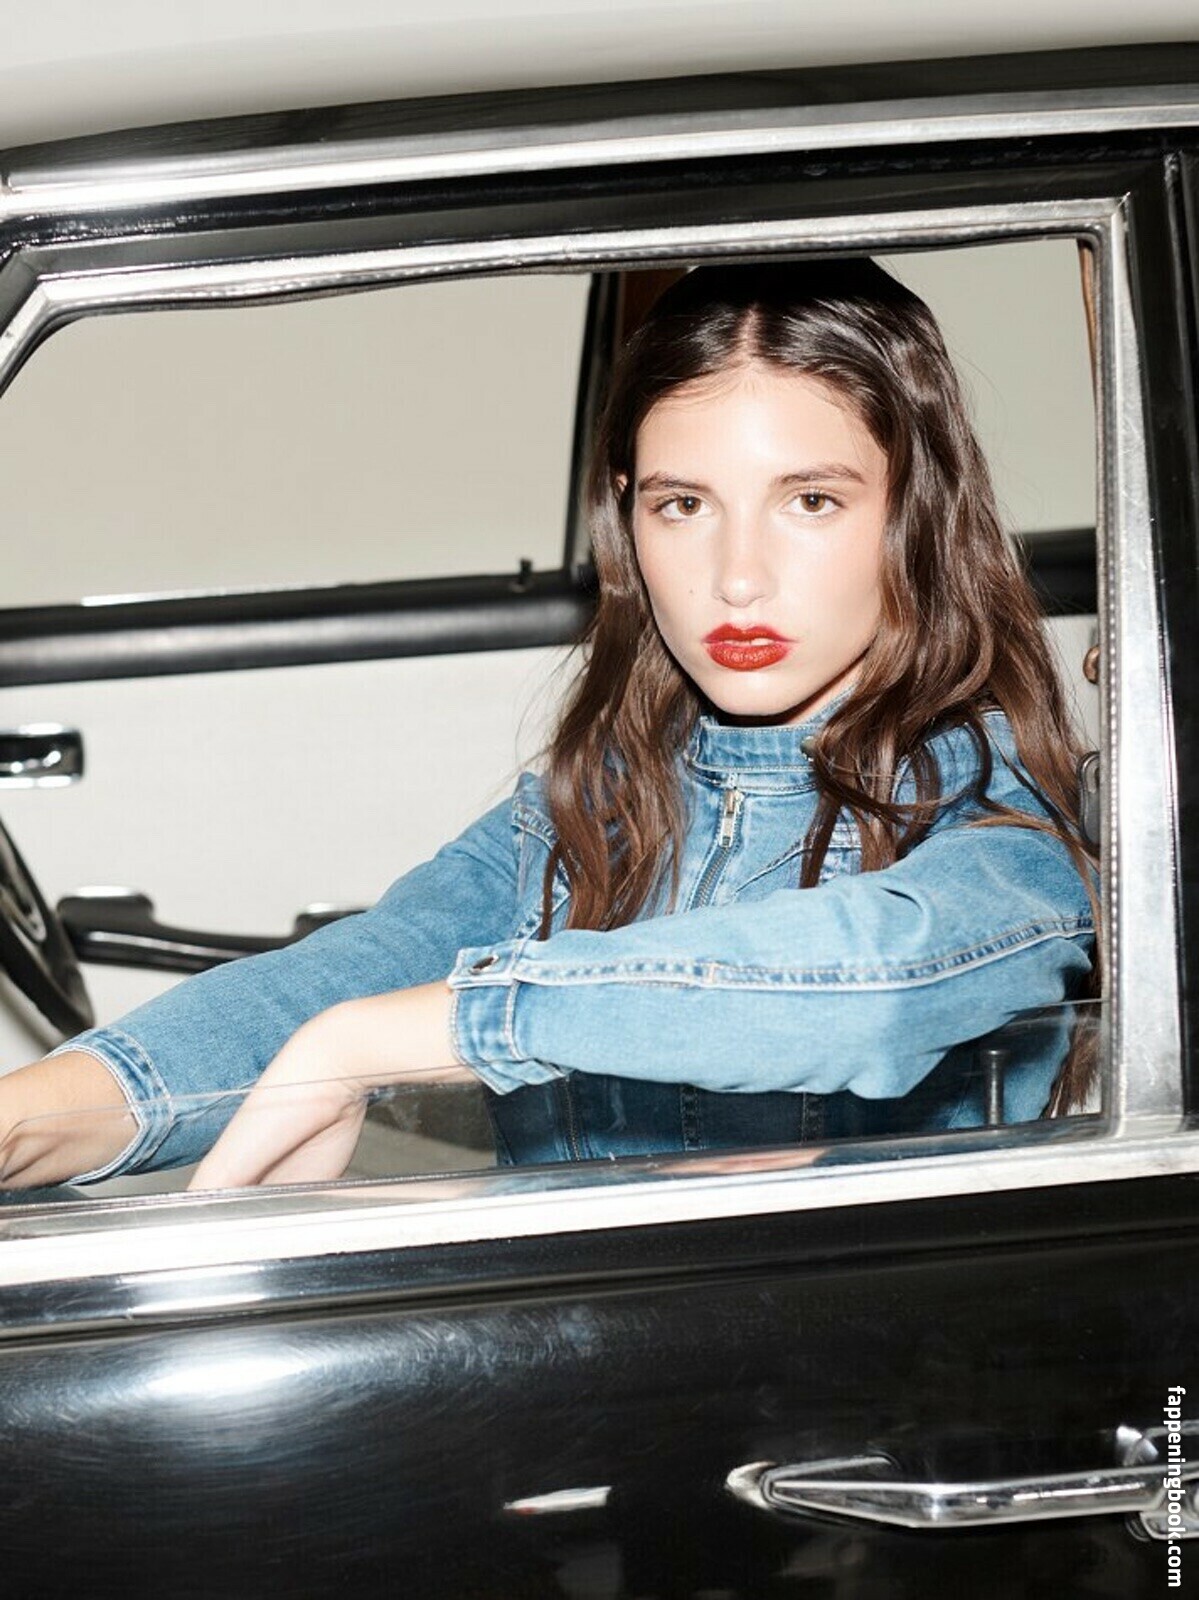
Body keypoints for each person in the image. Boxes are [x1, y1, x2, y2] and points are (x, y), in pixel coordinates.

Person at [0, 258, 1098, 1194]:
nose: (736, 576)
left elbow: (876, 984)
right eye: (682, 504)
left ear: (915, 515)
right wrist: (26, 1119)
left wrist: (423, 1030)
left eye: (809, 500)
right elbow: (330, 984)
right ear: (627, 514)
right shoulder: (585, 810)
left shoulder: (1001, 815)